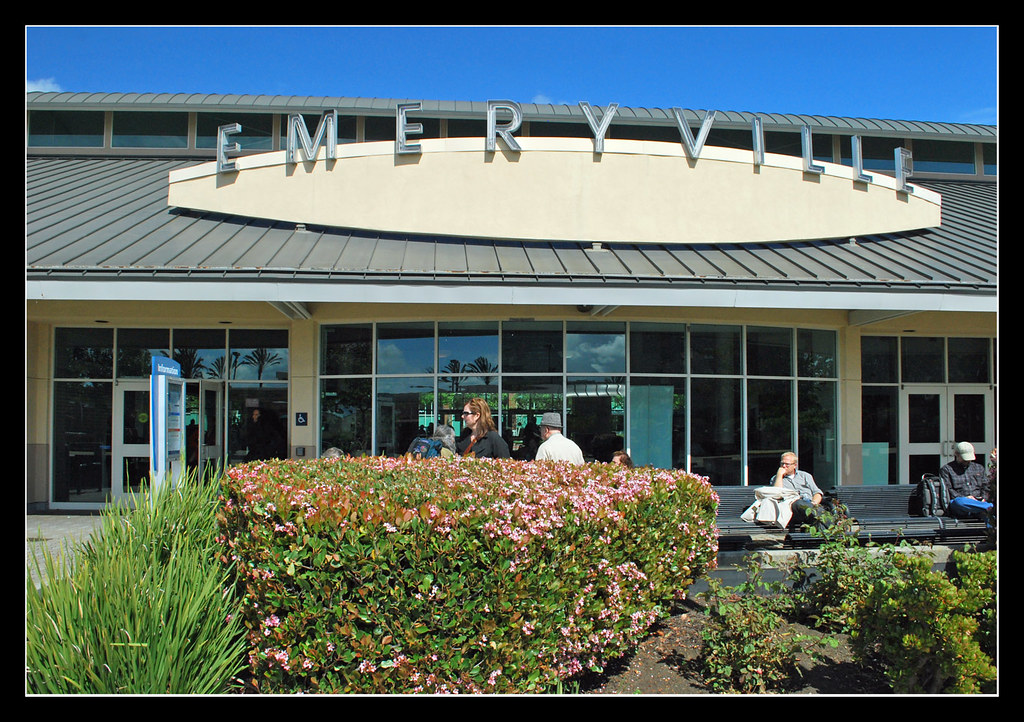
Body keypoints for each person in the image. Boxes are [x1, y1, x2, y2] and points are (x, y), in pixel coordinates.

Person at [939, 441, 993, 520]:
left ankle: (987, 510)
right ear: (957, 454)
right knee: (959, 502)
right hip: (960, 503)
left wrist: (983, 498)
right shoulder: (947, 469)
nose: (967, 461)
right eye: (964, 459)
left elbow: (986, 486)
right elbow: (948, 490)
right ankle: (990, 507)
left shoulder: (979, 468)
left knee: (989, 515)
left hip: (979, 502)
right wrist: (966, 498)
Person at [772, 451, 822, 528]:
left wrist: (813, 503)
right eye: (782, 464)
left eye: (787, 464)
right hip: (792, 509)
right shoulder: (776, 479)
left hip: (810, 506)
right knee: (799, 503)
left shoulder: (805, 476)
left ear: (795, 465)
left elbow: (817, 493)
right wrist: (779, 475)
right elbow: (776, 494)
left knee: (817, 519)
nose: (784, 466)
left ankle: (826, 538)